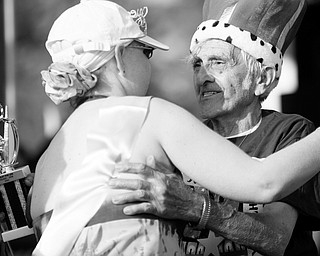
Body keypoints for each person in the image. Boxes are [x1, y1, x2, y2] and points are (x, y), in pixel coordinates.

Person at [29, 0, 320, 255]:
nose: (203, 76)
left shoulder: (49, 159)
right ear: (119, 58)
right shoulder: (151, 117)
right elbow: (263, 181)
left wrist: (195, 206)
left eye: (217, 62)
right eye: (196, 65)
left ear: (263, 78)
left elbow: (276, 238)